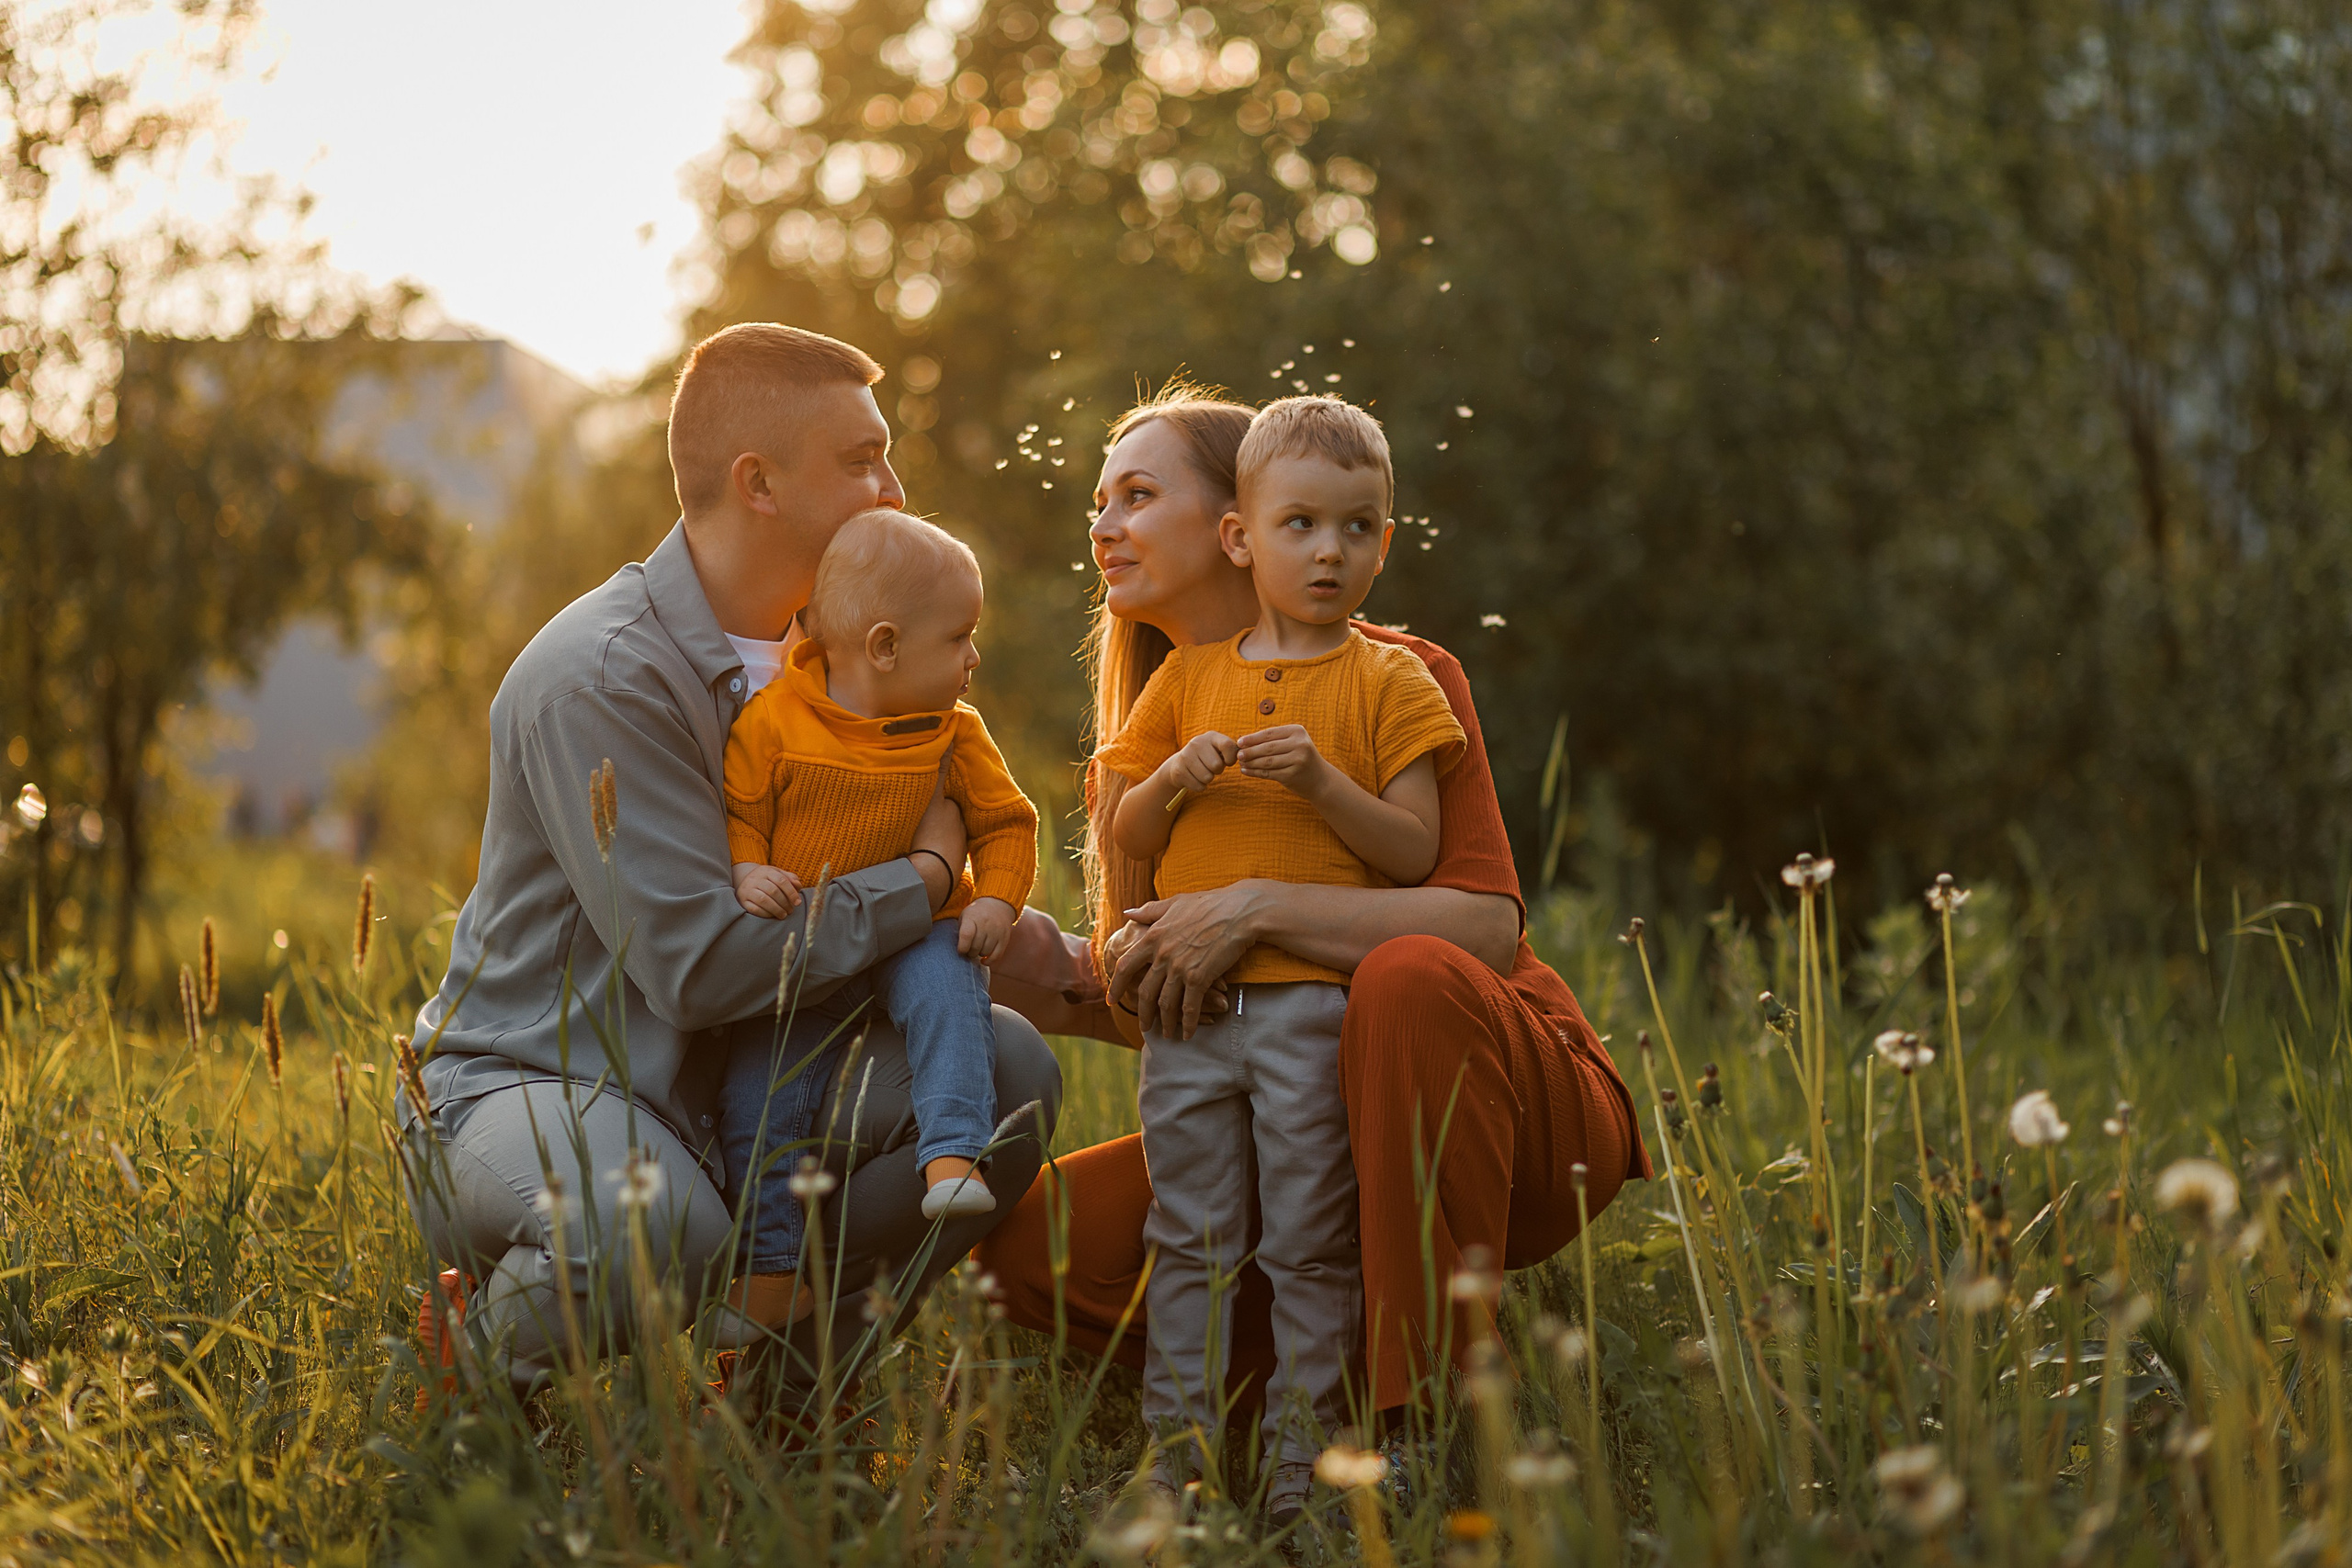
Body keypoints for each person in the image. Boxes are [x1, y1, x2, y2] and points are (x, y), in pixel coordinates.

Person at [397, 323, 1059, 1405]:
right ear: (758, 482)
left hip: (747, 1078)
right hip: (541, 1084)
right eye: (860, 460)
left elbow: (921, 904)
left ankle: (783, 1403)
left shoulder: (857, 659)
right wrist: (929, 883)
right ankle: (459, 1382)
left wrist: (1094, 968)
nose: (893, 488)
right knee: (652, 1224)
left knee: (1011, 1078)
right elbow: (701, 971)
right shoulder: (602, 676)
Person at [978, 382, 1648, 1443]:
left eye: (1138, 495)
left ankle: (1417, 1422)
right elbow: (1209, 1005)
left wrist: (1252, 906)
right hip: (1285, 1096)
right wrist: (1067, 982)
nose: (1102, 527)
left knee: (1405, 978)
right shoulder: (1152, 739)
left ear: (1233, 524)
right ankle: (1305, 1378)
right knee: (1029, 1244)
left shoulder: (1399, 675)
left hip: (1509, 1108)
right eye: (1096, 503)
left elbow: (1480, 930)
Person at [1097, 396, 1466, 1519]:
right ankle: (1182, 1463)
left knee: (1309, 1240)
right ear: (1242, 539)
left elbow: (1414, 855)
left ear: (1385, 543)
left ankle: (1307, 1465)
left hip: (1309, 1012)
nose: (1330, 552)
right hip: (1191, 1025)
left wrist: (1317, 782)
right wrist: (1172, 779)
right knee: (1189, 1236)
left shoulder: (1390, 682)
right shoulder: (1185, 682)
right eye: (1301, 525)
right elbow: (1129, 836)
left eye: (1358, 529)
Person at [717, 507, 1036, 1337]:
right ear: (885, 646)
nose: (974, 657)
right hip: (808, 947)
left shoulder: (954, 733)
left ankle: (952, 1153)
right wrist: (747, 866)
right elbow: (742, 811)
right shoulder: (776, 720)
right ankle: (769, 1272)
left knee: (948, 990)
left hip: (916, 929)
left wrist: (998, 895)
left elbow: (1007, 821)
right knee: (760, 1094)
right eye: (960, 637)